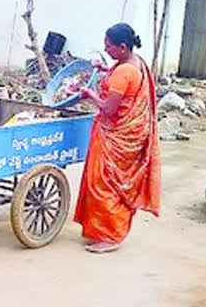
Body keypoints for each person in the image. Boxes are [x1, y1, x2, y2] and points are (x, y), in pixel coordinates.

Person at [76, 23, 160, 253]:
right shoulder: (135, 62)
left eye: (109, 47)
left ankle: (110, 235)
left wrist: (89, 93)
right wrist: (104, 69)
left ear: (122, 47)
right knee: (114, 183)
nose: (107, 50)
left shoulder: (124, 72)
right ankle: (107, 230)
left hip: (117, 135)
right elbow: (125, 83)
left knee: (103, 183)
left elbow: (109, 108)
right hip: (131, 132)